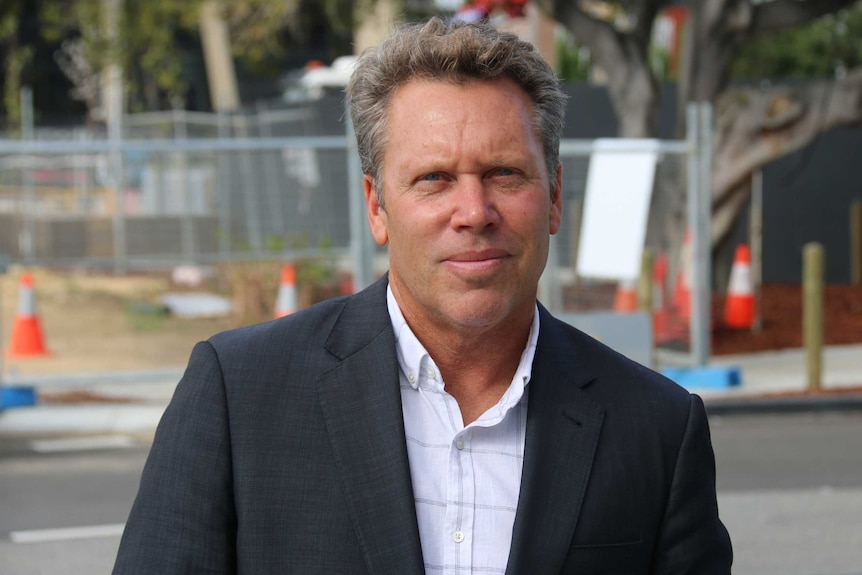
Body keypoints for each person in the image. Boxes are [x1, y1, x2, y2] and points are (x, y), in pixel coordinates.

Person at [113, 17, 732, 575]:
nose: (474, 211)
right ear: (377, 207)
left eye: (505, 174)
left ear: (554, 197)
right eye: (434, 179)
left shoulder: (656, 429)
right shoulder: (239, 395)